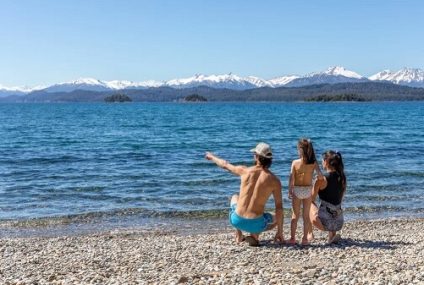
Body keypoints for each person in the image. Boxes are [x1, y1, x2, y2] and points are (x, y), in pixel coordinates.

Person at [205, 142, 284, 246]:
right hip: (257, 224)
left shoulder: (245, 171)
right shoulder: (275, 181)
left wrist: (212, 157)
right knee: (274, 217)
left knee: (235, 197)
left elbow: (225, 164)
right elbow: (279, 208)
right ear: (270, 159)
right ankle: (255, 235)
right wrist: (279, 232)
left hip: (236, 220)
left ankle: (239, 234)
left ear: (257, 157)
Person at [288, 138, 323, 246]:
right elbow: (320, 175)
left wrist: (290, 190)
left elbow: (291, 179)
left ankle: (293, 238)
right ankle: (304, 239)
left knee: (295, 215)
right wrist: (316, 180)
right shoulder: (313, 163)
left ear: (300, 150)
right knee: (306, 216)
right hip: (308, 190)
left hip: (297, 189)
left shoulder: (295, 163)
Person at [310, 150, 347, 244]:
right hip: (339, 222)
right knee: (334, 205)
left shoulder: (321, 179)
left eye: (322, 160)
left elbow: (311, 199)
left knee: (308, 203)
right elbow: (341, 198)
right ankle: (332, 235)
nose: (321, 162)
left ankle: (309, 234)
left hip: (323, 224)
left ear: (326, 162)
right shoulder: (342, 178)